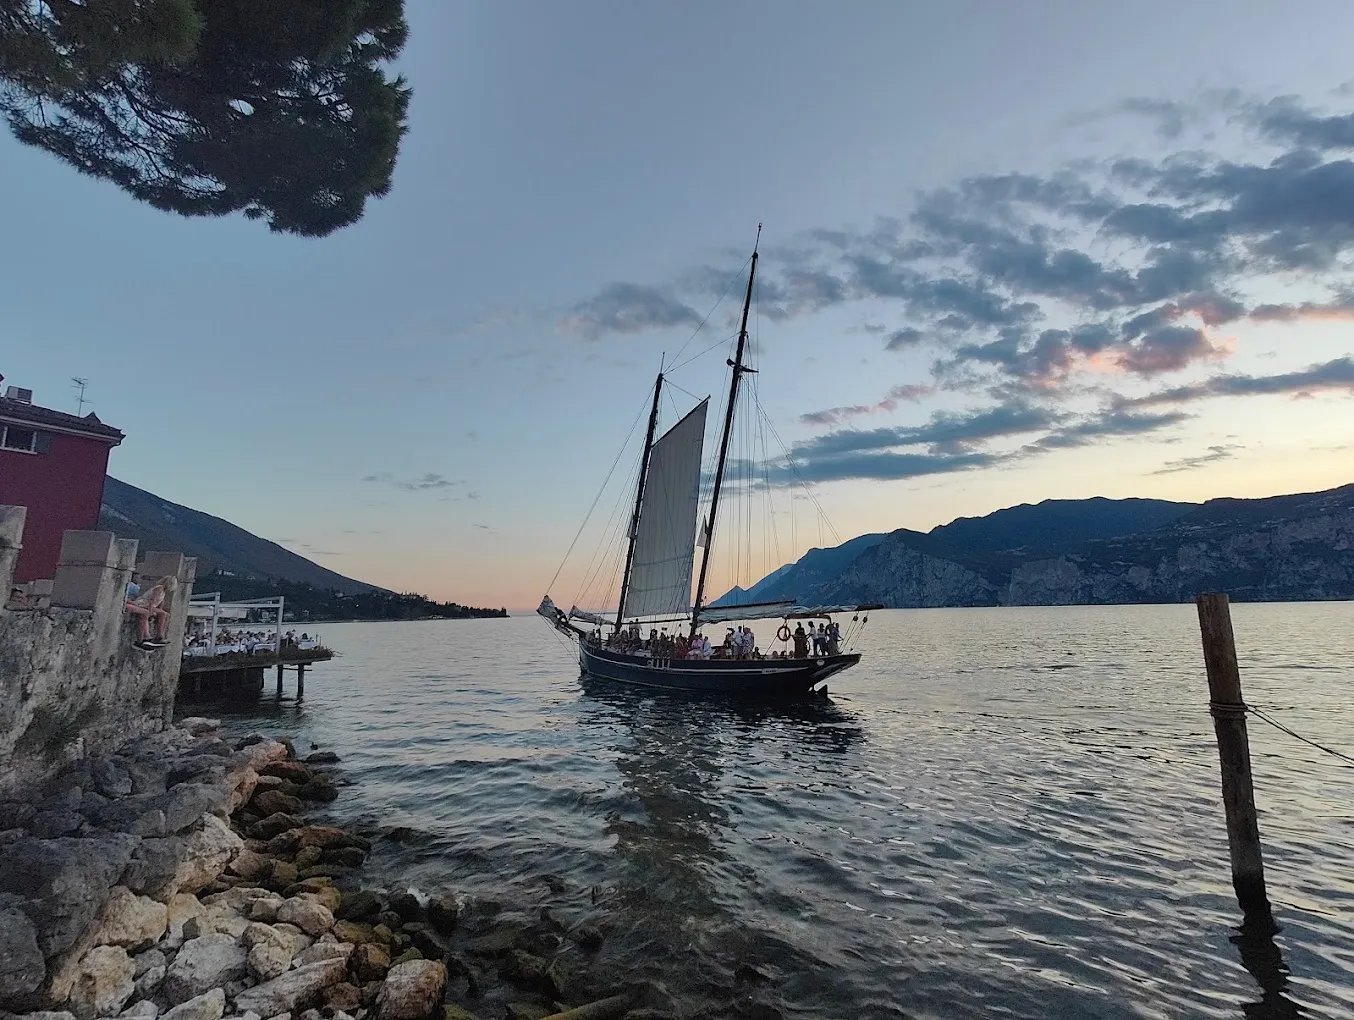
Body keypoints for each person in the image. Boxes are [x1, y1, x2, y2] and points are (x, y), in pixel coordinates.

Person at [126, 575, 173, 649]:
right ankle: (159, 635)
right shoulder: (159, 588)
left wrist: (158, 611)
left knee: (165, 615)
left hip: (150, 605)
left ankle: (160, 634)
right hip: (144, 604)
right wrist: (150, 611)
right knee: (163, 613)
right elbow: (152, 600)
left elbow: (160, 603)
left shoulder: (163, 591)